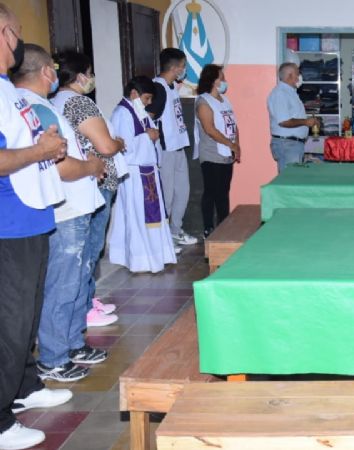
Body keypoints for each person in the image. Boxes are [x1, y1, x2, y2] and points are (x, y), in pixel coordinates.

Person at [0, 6, 72, 448]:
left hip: (31, 216)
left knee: (25, 317)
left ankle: (24, 386)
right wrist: (39, 152)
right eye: (15, 33)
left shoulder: (7, 88)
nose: (18, 42)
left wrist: (47, 148)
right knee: (9, 322)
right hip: (8, 223)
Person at [14, 44, 107, 385]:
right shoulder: (37, 108)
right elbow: (61, 165)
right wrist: (92, 166)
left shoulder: (39, 105)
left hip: (75, 206)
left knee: (76, 279)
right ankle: (54, 357)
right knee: (63, 284)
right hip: (67, 209)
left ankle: (71, 343)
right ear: (46, 72)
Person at [53, 51, 124, 330]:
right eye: (90, 73)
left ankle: (87, 301)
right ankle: (84, 310)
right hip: (94, 183)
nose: (92, 78)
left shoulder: (55, 100)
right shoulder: (78, 102)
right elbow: (105, 146)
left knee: (85, 252)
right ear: (80, 75)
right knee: (90, 250)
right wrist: (119, 143)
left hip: (80, 184)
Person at [108, 76, 177, 273]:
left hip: (147, 171)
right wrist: (148, 136)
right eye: (146, 98)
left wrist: (151, 136)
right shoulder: (122, 113)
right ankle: (140, 259)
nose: (148, 103)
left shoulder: (139, 111)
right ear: (134, 94)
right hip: (134, 173)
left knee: (151, 217)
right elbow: (125, 147)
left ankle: (156, 255)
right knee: (137, 216)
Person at [154, 48, 197, 246]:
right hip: (166, 149)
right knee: (167, 195)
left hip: (179, 147)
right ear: (175, 67)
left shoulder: (172, 87)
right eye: (183, 66)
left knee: (183, 192)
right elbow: (151, 117)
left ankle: (175, 230)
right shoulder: (158, 87)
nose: (184, 70)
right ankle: (162, 239)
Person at [194, 64, 240, 238]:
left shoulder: (224, 100)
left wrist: (237, 145)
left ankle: (224, 225)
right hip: (212, 154)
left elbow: (233, 125)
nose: (225, 81)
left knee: (223, 192)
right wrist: (231, 145)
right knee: (211, 192)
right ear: (213, 81)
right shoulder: (203, 102)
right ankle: (208, 228)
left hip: (227, 153)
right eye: (222, 78)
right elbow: (210, 129)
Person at [268, 62, 318, 172]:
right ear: (290, 75)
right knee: (289, 179)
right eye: (297, 74)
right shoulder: (280, 93)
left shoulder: (290, 92)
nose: (299, 77)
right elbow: (284, 121)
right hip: (287, 144)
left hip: (293, 144)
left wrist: (309, 122)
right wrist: (305, 122)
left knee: (294, 178)